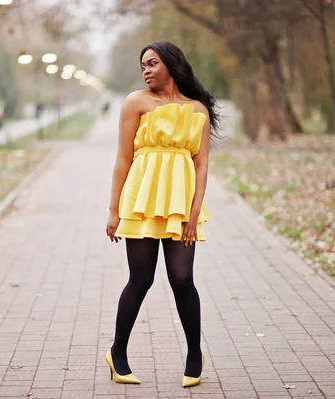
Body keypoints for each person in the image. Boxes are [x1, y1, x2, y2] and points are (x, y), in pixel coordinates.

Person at [105, 41, 221, 388]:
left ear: (171, 64)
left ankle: (193, 355)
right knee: (140, 280)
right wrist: (114, 210)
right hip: (141, 200)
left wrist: (194, 211)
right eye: (143, 65)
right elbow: (123, 158)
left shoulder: (197, 109)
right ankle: (118, 353)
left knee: (182, 279)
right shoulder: (135, 102)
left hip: (181, 204)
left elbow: (201, 165)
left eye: (152, 63)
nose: (146, 70)